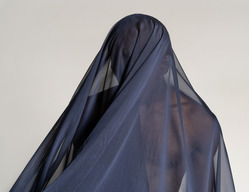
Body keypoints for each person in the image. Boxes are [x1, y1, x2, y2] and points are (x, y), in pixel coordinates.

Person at [11, 14, 235, 192]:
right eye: (117, 60)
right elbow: (71, 174)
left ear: (164, 65)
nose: (121, 72)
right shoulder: (95, 106)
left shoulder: (199, 124)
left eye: (134, 64)